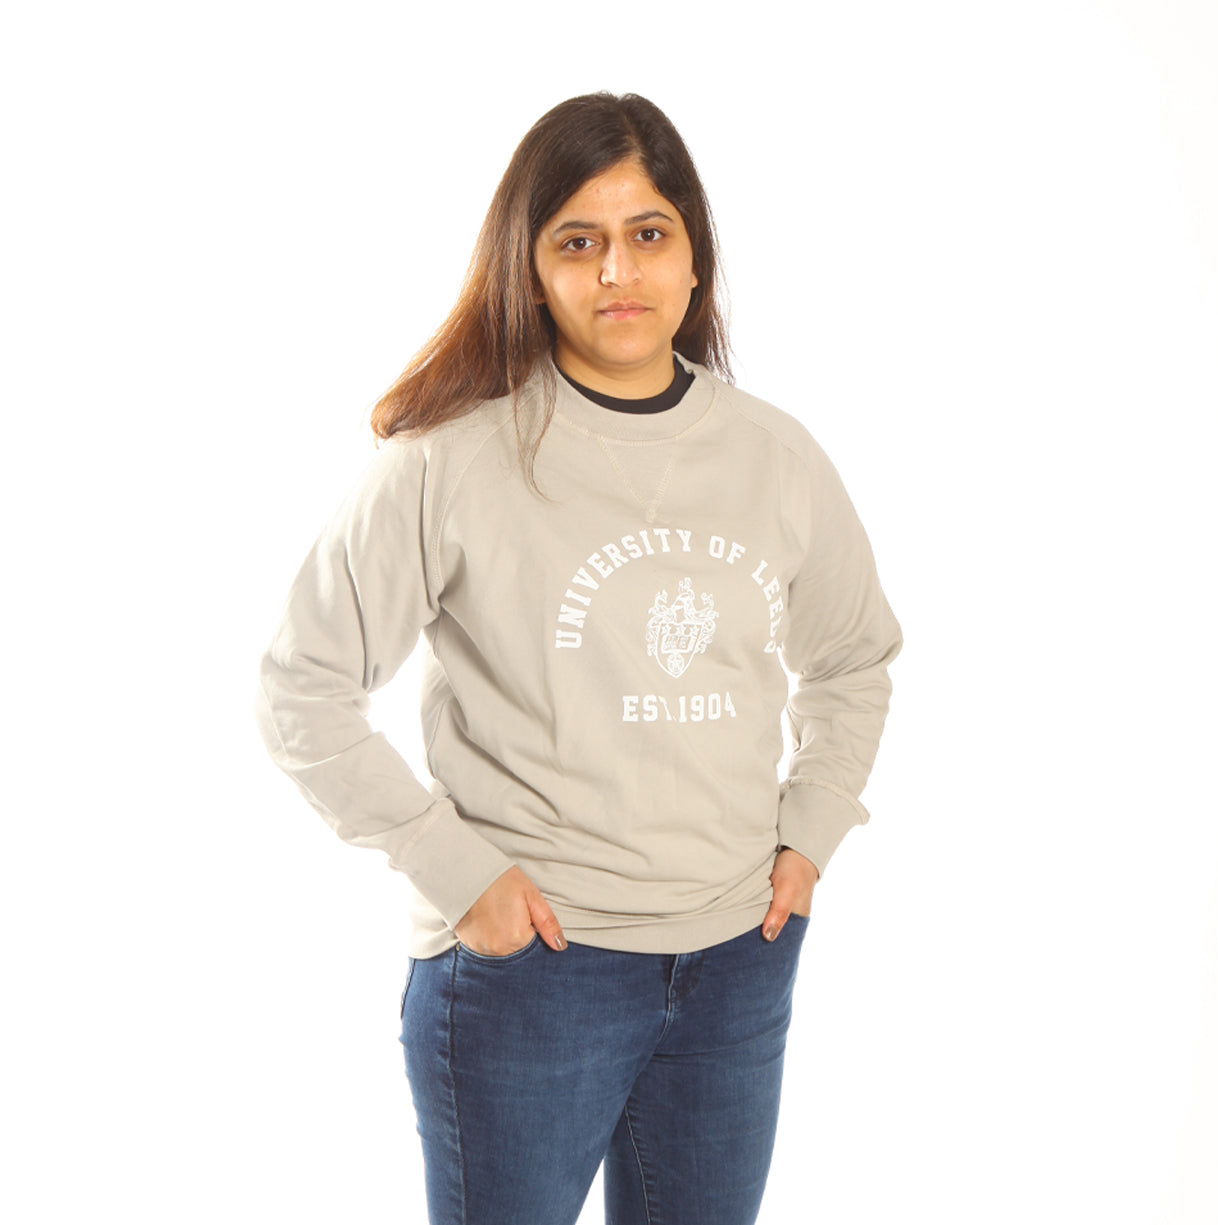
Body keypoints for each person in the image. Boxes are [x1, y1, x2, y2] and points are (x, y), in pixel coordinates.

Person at [256, 91, 902, 1225]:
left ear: (694, 260)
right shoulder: (448, 460)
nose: (617, 271)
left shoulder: (775, 456)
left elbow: (851, 658)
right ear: (531, 267)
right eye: (577, 241)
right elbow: (300, 689)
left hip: (736, 957)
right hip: (532, 967)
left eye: (648, 234)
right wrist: (455, 872)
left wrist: (810, 829)